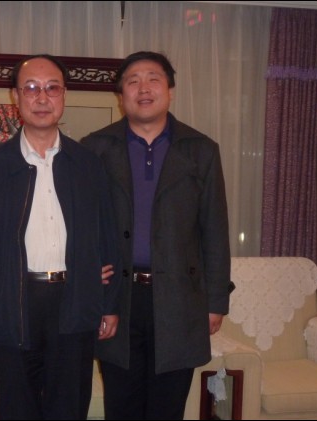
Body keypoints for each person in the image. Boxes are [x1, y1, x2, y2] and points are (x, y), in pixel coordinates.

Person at [0, 54, 121, 420]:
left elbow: (108, 237)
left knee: (69, 407)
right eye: (31, 88)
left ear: (64, 95)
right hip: (12, 303)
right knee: (18, 408)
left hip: (74, 302)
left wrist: (109, 303)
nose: (42, 98)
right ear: (16, 96)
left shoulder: (87, 164)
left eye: (52, 88)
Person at [80, 51, 232, 420]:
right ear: (121, 95)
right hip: (118, 299)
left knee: (168, 408)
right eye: (133, 81)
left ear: (170, 91)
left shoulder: (200, 150)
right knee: (122, 406)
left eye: (153, 79)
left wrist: (215, 302)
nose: (143, 88)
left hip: (180, 300)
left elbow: (214, 229)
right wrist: (89, 283)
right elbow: (81, 226)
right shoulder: (95, 148)